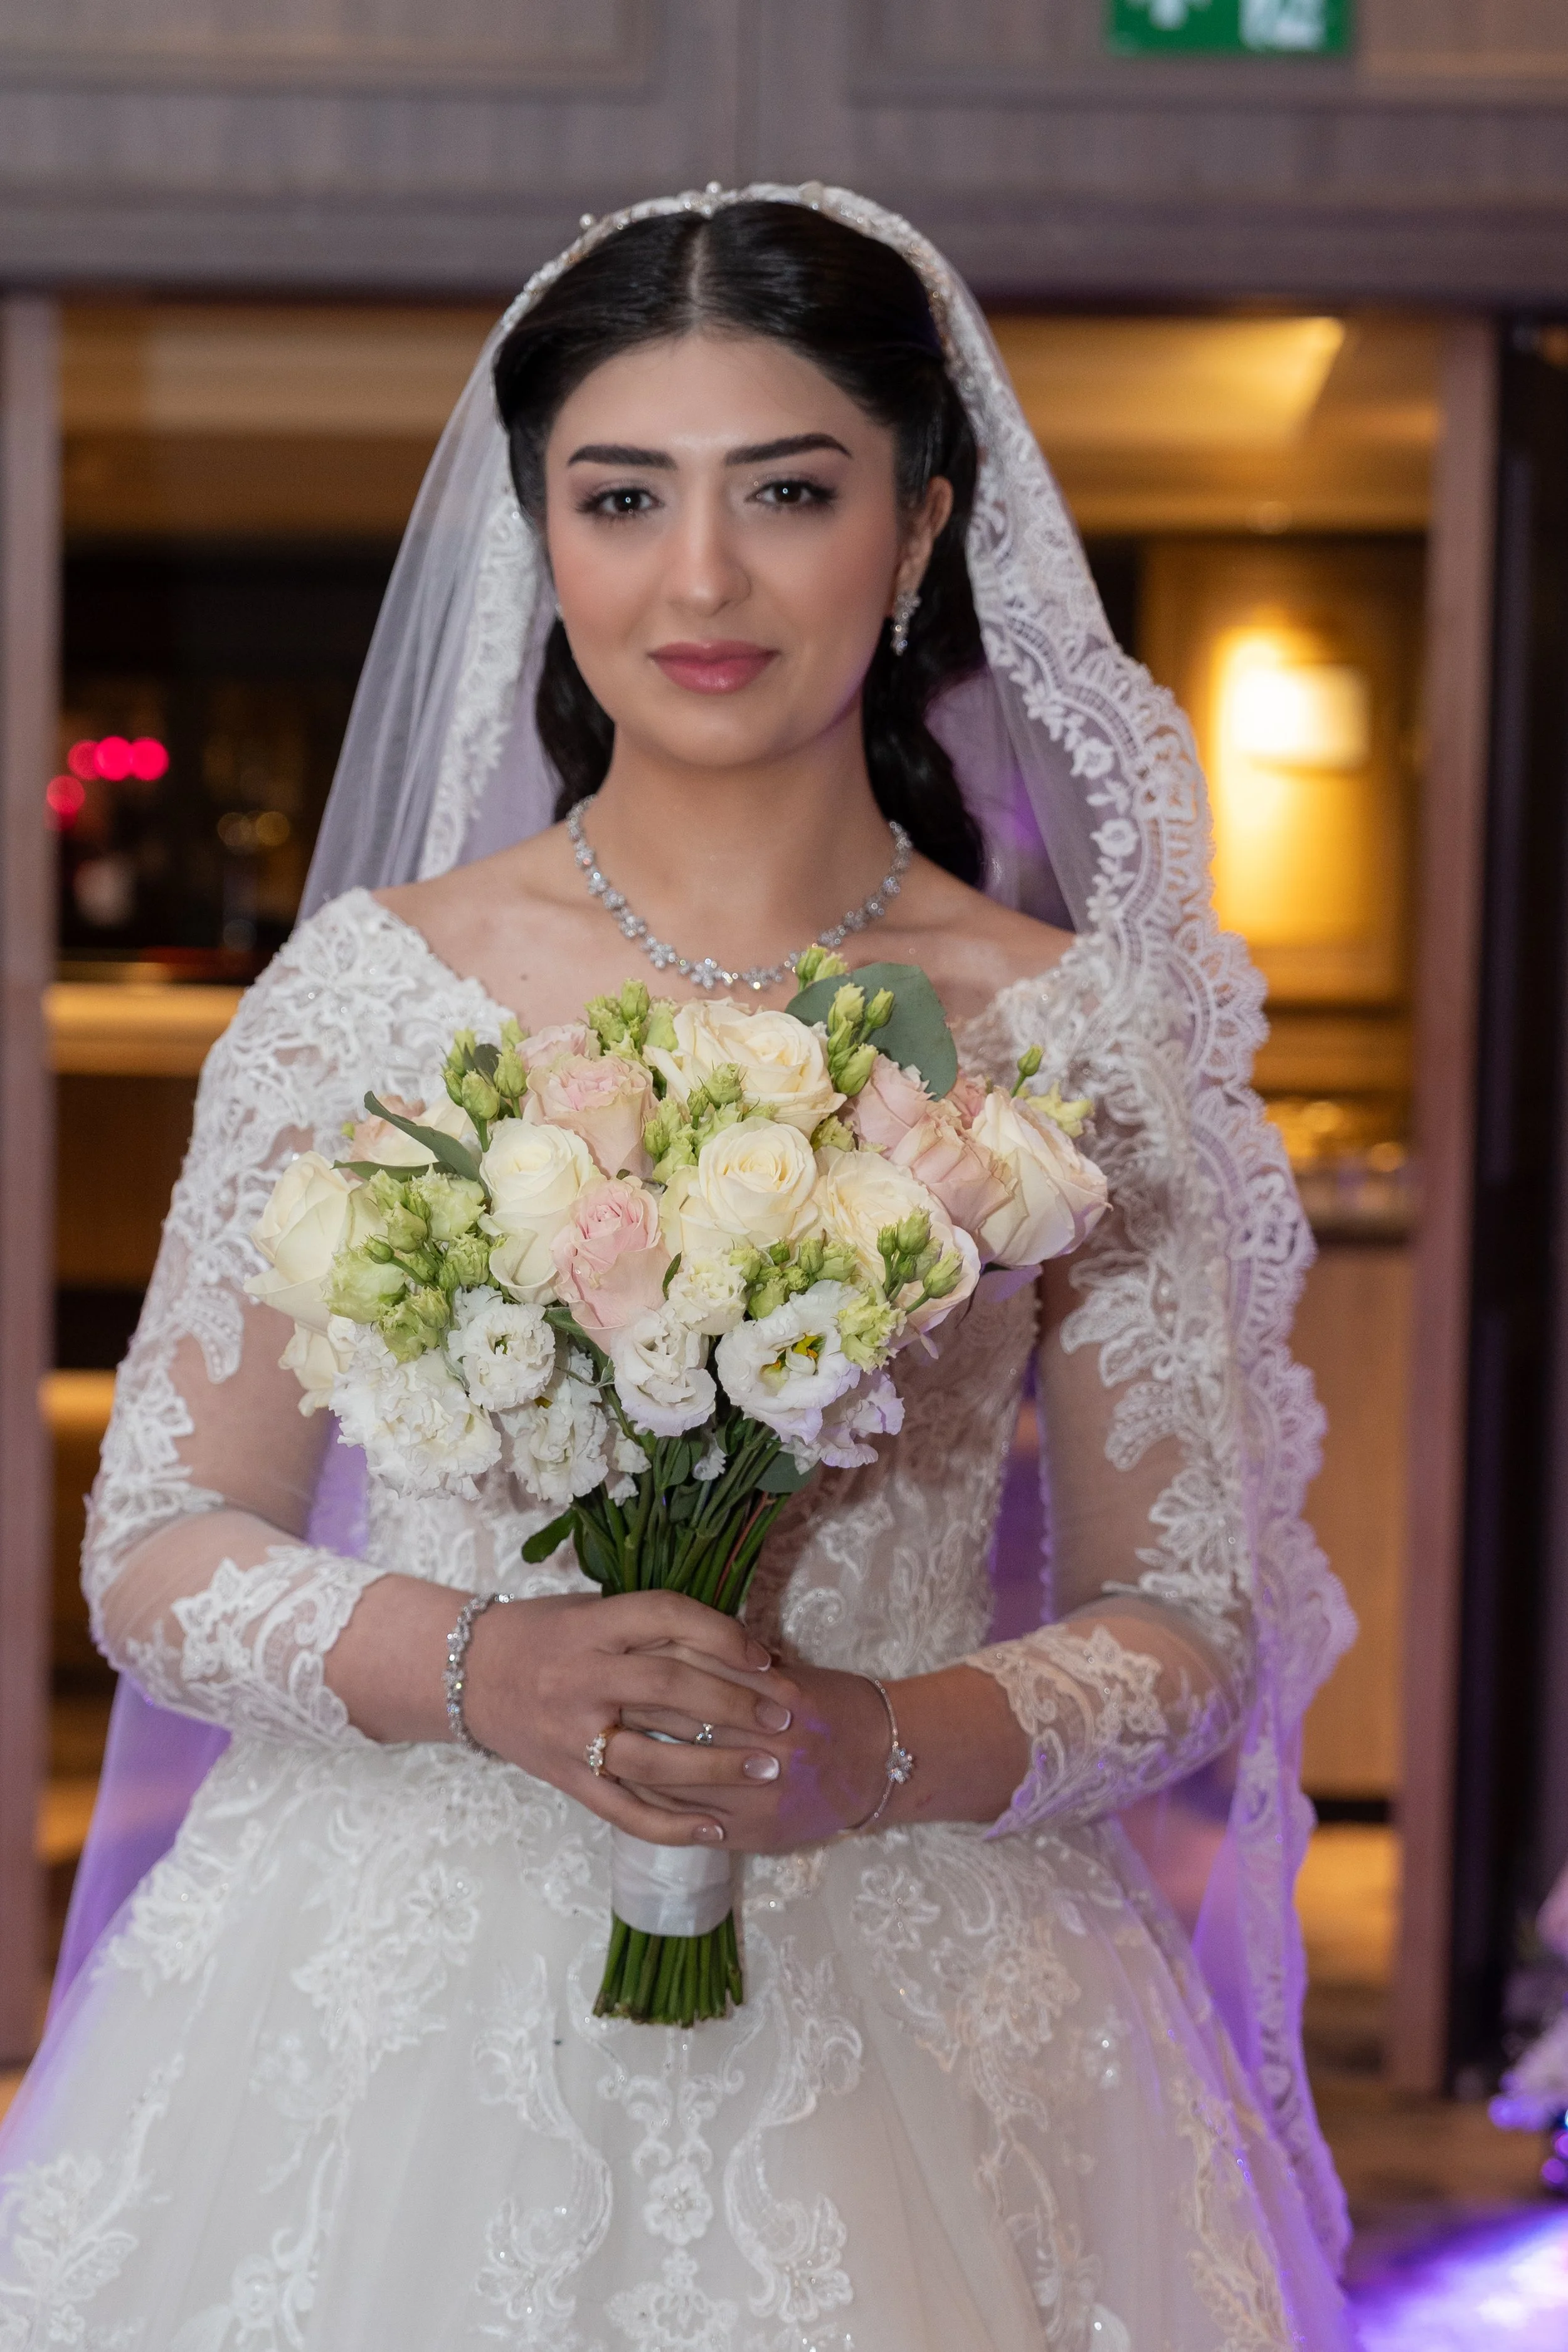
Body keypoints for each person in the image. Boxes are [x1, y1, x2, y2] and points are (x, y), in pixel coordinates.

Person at [0, 185, 1358, 2348]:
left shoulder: (1075, 1034)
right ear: (543, 531)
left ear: (916, 531)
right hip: (388, 1993)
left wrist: (870, 1742)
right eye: (622, 496)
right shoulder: (372, 996)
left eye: (787, 493)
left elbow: (1183, 1614)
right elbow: (158, 1543)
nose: (699, 577)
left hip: (917, 1969)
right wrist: (481, 1668)